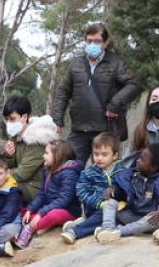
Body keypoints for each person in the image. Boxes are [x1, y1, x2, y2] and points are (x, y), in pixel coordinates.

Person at [49, 22, 141, 164]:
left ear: (105, 43)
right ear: (85, 40)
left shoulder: (116, 63)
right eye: (90, 40)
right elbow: (63, 92)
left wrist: (114, 105)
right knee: (67, 168)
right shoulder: (76, 64)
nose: (93, 44)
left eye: (97, 41)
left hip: (106, 130)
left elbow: (134, 83)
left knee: (104, 174)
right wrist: (57, 118)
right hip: (79, 128)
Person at [92, 143, 159, 244]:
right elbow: (122, 192)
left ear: (153, 167)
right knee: (110, 202)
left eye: (142, 159)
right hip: (130, 214)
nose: (137, 161)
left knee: (150, 222)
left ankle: (118, 232)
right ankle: (108, 229)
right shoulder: (133, 175)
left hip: (149, 220)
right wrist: (113, 190)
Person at [62, 132, 128, 245]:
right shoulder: (88, 173)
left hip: (116, 207)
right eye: (96, 154)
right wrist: (99, 203)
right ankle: (74, 231)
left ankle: (85, 224)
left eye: (104, 154)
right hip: (94, 208)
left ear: (115, 155)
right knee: (105, 214)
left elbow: (127, 190)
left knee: (120, 216)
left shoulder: (123, 171)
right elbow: (81, 192)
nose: (99, 158)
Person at [15, 139, 82, 248]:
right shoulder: (48, 171)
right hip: (49, 207)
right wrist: (30, 209)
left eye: (46, 153)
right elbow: (42, 195)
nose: (43, 156)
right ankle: (29, 225)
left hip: (68, 211)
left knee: (54, 215)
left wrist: (41, 213)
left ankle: (29, 229)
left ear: (57, 156)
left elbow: (63, 200)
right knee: (23, 212)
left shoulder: (69, 174)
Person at [2, 96, 59, 202]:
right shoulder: (15, 136)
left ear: (24, 117)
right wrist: (8, 156)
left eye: (12, 119)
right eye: (7, 119)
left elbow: (22, 174)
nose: (9, 123)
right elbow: (7, 165)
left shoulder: (37, 139)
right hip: (20, 183)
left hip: (34, 188)